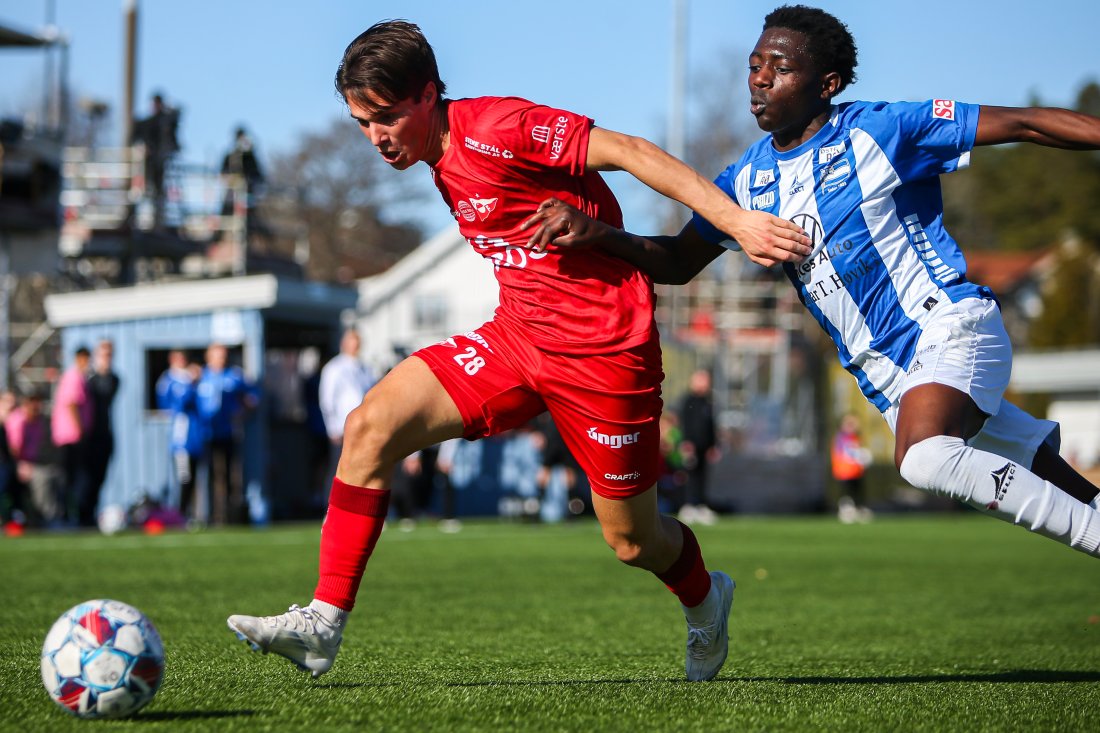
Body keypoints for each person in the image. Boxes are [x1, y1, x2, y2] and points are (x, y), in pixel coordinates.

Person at [226, 19, 810, 682]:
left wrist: (736, 221)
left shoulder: (498, 127)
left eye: (386, 117)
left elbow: (630, 150)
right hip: (517, 339)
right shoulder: (436, 158)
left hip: (606, 355)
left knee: (632, 540)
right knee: (369, 425)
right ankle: (323, 623)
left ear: (428, 95)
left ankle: (705, 598)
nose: (376, 137)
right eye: (363, 123)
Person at [521, 5, 1100, 559]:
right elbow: (676, 262)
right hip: (886, 375)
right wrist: (600, 234)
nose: (759, 79)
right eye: (755, 65)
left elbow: (1025, 122)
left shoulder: (882, 130)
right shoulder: (746, 181)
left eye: (780, 67)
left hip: (946, 328)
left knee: (924, 458)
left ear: (827, 84)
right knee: (1046, 474)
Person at [196, 343, 256, 526]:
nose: (221, 359)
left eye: (223, 355)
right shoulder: (200, 376)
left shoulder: (234, 376)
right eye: (217, 355)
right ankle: (211, 516)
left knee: (231, 475)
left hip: (228, 432)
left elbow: (253, 396)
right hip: (206, 434)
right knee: (210, 475)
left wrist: (243, 409)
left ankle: (230, 517)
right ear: (208, 357)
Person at [317, 329, 376, 498]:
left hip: (363, 429)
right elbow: (327, 400)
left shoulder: (365, 369)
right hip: (342, 429)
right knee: (339, 470)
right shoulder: (334, 368)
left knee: (362, 470)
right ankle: (330, 506)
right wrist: (333, 428)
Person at [156, 349, 205, 523]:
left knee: (194, 479)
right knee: (184, 478)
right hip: (181, 444)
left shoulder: (196, 380)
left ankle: (190, 514)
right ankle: (181, 515)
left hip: (196, 441)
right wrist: (189, 383)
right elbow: (176, 404)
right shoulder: (172, 381)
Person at [52, 346, 93, 526]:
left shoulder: (80, 378)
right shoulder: (74, 377)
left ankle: (70, 514)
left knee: (73, 477)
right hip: (71, 437)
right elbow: (72, 404)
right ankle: (65, 514)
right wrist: (80, 429)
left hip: (73, 436)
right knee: (70, 478)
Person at [7, 390, 58, 526]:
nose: (36, 406)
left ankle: (48, 517)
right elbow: (13, 449)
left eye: (38, 402)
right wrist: (19, 465)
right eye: (32, 402)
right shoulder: (18, 421)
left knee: (54, 474)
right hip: (16, 463)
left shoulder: (38, 422)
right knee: (41, 478)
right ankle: (45, 518)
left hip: (33, 463)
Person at [83, 339, 120, 527]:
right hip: (89, 437)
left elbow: (108, 391)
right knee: (86, 479)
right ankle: (83, 515)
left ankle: (91, 514)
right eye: (103, 354)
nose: (107, 359)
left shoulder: (114, 379)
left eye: (109, 355)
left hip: (104, 435)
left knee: (99, 478)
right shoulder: (88, 379)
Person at [130, 92, 181, 228]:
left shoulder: (165, 122)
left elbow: (173, 130)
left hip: (162, 164)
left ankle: (157, 217)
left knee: (159, 192)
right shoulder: (146, 123)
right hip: (147, 164)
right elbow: (135, 138)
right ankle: (139, 217)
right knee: (144, 191)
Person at [677, 369, 719, 525]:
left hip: (704, 447)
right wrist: (687, 443)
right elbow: (685, 424)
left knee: (702, 477)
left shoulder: (707, 402)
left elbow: (710, 425)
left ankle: (701, 505)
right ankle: (689, 506)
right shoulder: (689, 401)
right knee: (691, 476)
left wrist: (713, 445)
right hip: (691, 447)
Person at [832, 414, 872, 524]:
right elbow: (847, 452)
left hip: (856, 471)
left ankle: (859, 509)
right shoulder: (841, 437)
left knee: (858, 491)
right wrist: (859, 455)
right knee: (846, 491)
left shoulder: (856, 437)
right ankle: (846, 510)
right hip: (845, 471)